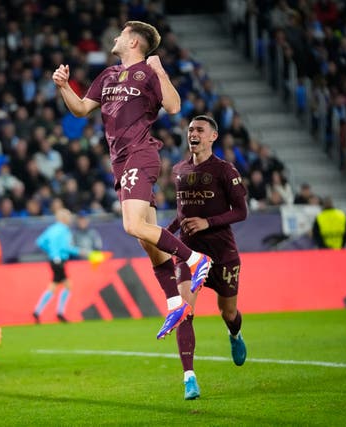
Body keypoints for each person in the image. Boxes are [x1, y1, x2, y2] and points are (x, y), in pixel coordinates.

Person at [52, 21, 212, 339]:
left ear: (135, 42)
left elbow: (175, 106)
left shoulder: (150, 73)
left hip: (141, 153)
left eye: (122, 34)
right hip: (120, 162)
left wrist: (160, 70)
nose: (115, 37)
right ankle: (176, 302)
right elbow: (82, 109)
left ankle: (197, 259)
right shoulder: (108, 75)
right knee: (146, 240)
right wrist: (63, 87)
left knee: (132, 225)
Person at [166, 115, 248, 400]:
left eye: (200, 129)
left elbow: (241, 211)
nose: (193, 133)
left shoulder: (225, 170)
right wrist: (164, 234)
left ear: (213, 136)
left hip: (222, 253)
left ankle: (234, 334)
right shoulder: (178, 170)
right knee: (183, 311)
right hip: (188, 254)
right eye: (190, 129)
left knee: (228, 312)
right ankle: (189, 378)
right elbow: (181, 214)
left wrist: (207, 222)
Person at [33, 208, 83, 324]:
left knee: (55, 286)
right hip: (60, 261)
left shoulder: (51, 229)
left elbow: (40, 242)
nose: (70, 219)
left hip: (53, 260)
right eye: (69, 216)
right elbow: (67, 248)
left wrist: (51, 251)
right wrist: (81, 252)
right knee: (65, 286)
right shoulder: (65, 230)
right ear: (63, 218)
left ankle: (38, 311)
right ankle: (58, 312)